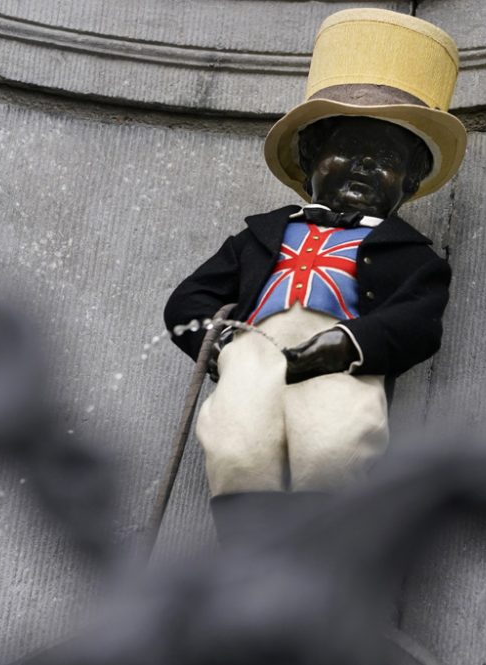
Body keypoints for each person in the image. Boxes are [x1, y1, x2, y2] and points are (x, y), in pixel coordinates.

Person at [164, 8, 467, 540]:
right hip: (254, 350)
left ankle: (320, 563)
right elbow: (189, 301)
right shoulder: (258, 238)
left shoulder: (412, 257)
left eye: (386, 159)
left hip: (342, 359)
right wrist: (222, 345)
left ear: (410, 184)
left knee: (334, 445)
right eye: (345, 150)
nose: (363, 166)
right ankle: (247, 561)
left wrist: (348, 343)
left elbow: (419, 323)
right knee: (237, 441)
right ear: (309, 161)